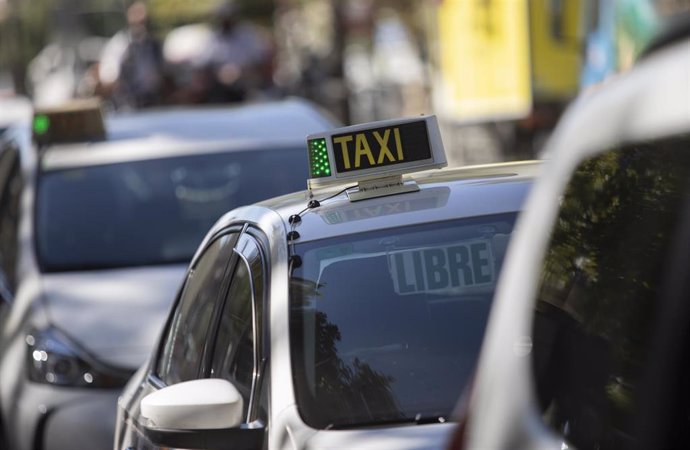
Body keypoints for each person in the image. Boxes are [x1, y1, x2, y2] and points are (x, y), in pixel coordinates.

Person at [199, 1, 272, 102]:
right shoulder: (213, 38)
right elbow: (204, 63)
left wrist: (242, 72)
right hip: (218, 88)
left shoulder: (247, 35)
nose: (226, 21)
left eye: (229, 17)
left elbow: (259, 60)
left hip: (246, 85)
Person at [99, 2, 164, 109]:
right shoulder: (120, 43)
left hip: (152, 102)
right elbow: (109, 76)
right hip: (126, 104)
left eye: (143, 21)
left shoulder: (154, 45)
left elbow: (159, 75)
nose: (141, 24)